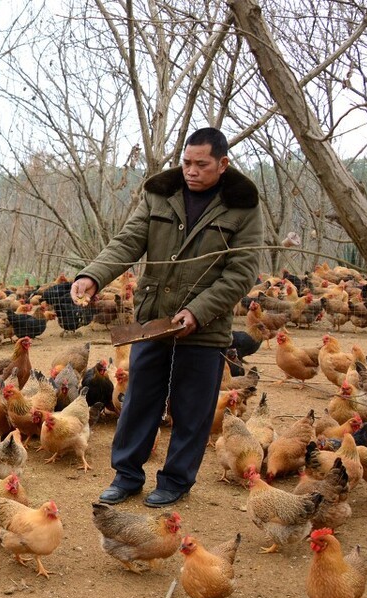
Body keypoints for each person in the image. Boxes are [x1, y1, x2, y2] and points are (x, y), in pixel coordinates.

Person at [71, 128, 263, 507]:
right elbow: (128, 240)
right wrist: (92, 274)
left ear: (222, 164)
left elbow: (241, 272)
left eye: (201, 164)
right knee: (139, 399)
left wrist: (199, 311)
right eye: (186, 162)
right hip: (154, 320)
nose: (191, 171)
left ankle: (175, 481)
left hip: (204, 326)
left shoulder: (242, 206)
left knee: (192, 408)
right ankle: (126, 475)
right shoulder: (160, 194)